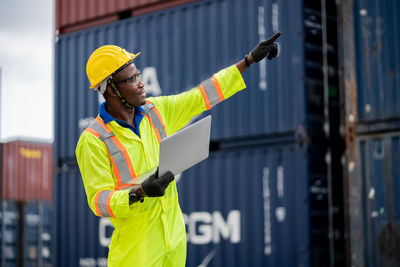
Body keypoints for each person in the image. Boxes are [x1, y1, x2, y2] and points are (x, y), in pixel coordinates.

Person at [76, 32, 281, 267]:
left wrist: (248, 61)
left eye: (138, 75)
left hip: (174, 244)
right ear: (110, 89)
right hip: (135, 255)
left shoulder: (156, 111)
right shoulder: (93, 140)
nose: (141, 83)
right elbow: (99, 201)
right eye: (132, 79)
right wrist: (139, 192)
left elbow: (202, 96)